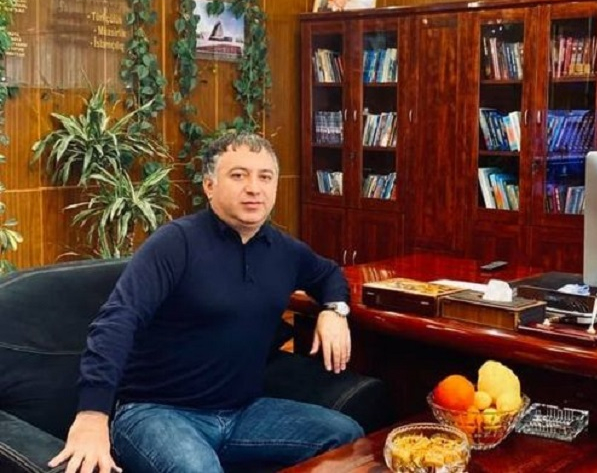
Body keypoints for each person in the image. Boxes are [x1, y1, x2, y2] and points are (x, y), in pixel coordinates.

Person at [48, 132, 362, 473]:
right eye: (238, 175)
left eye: (265, 177)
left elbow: (329, 274)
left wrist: (335, 311)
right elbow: (117, 320)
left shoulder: (286, 251)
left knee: (346, 437)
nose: (254, 188)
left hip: (243, 414)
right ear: (209, 186)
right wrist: (92, 415)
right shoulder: (175, 243)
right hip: (155, 412)